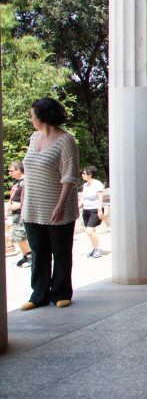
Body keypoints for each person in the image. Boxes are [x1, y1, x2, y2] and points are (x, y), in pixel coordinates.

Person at [20, 97, 80, 310]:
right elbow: (28, 173)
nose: (31, 119)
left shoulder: (65, 140)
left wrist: (61, 205)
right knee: (38, 251)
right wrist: (24, 201)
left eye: (32, 115)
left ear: (42, 116)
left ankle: (61, 292)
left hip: (57, 206)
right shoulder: (34, 137)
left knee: (61, 251)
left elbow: (70, 176)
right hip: (33, 206)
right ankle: (39, 294)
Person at [7, 162, 30, 268]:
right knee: (19, 236)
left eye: (11, 170)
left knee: (20, 236)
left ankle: (30, 256)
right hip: (16, 213)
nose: (9, 173)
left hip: (21, 213)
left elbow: (28, 198)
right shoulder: (17, 182)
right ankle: (26, 255)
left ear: (18, 170)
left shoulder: (25, 182)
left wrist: (19, 205)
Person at [78, 166, 105, 258]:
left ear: (90, 174)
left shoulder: (97, 184)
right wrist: (77, 207)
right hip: (86, 210)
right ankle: (94, 248)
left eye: (84, 173)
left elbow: (100, 198)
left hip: (95, 210)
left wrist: (100, 210)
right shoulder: (85, 185)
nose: (82, 175)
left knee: (89, 230)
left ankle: (98, 249)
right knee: (89, 231)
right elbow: (82, 199)